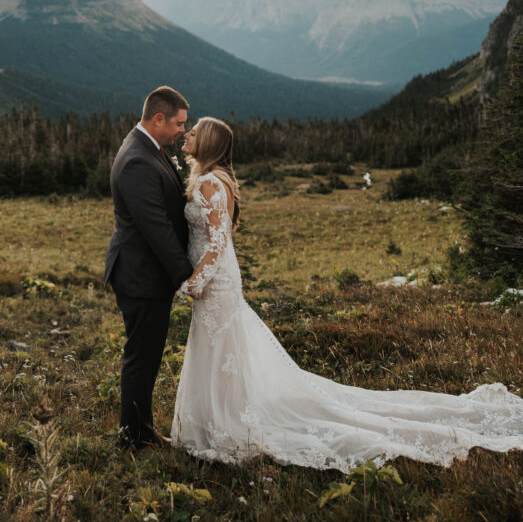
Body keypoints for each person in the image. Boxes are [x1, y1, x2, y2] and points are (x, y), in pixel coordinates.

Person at [171, 117, 523, 471]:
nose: (188, 134)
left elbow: (218, 242)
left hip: (216, 281)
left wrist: (194, 282)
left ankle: (224, 422)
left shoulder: (210, 183)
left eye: (195, 132)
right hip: (220, 278)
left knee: (219, 349)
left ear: (209, 143)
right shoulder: (212, 180)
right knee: (220, 350)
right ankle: (219, 416)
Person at [104, 85, 194, 449]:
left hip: (145, 274)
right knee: (141, 357)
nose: (182, 132)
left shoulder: (148, 147)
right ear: (158, 119)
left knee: (147, 355)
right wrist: (187, 277)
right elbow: (156, 228)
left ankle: (140, 429)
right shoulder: (139, 159)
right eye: (178, 124)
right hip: (140, 277)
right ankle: (133, 438)